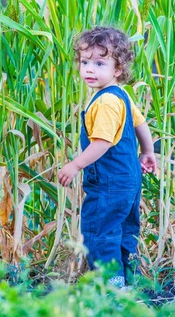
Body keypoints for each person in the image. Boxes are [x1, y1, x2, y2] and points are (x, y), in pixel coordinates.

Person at [58, 26, 156, 288]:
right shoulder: (122, 96)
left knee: (101, 232)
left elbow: (101, 143)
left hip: (109, 182)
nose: (90, 69)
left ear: (117, 70)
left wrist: (76, 164)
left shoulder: (104, 102)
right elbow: (140, 124)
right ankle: (125, 281)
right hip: (129, 179)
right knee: (123, 231)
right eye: (85, 62)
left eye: (100, 63)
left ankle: (111, 289)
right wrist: (147, 152)